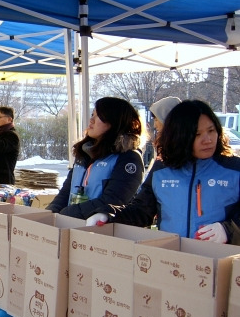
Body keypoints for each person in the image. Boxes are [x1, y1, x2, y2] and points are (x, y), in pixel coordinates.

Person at [87, 99, 240, 242]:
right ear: (179, 136)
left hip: (222, 262)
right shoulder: (162, 169)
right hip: (170, 259)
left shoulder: (234, 168)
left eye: (211, 131)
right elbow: (141, 211)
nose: (208, 140)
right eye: (197, 134)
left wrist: (228, 229)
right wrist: (109, 215)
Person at [46, 97, 146, 220]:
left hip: (101, 231)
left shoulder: (128, 158)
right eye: (92, 114)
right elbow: (66, 192)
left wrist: (67, 214)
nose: (91, 120)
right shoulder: (84, 153)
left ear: (115, 122)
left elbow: (114, 200)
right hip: (72, 226)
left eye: (98, 116)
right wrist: (51, 212)